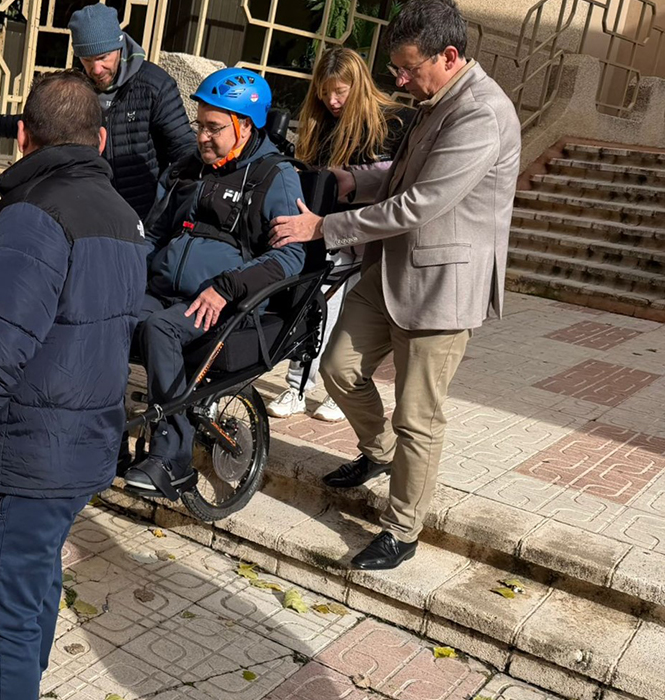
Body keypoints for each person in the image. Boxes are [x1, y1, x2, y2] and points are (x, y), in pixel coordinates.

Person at [270, 0, 520, 570]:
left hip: (441, 289)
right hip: (388, 270)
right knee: (336, 369)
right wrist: (353, 177)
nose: (399, 80)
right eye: (398, 69)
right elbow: (401, 172)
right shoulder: (434, 101)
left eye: (408, 69)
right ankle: (377, 453)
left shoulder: (481, 114)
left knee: (418, 416)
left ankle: (402, 529)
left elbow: (420, 203)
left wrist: (324, 226)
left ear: (449, 56)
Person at [0, 71, 146, 700]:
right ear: (99, 140)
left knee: (2, 614)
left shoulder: (30, 216)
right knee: (35, 581)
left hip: (25, 457)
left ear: (22, 137)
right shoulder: (123, 217)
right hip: (78, 447)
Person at [121, 67, 307, 500]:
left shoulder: (274, 178)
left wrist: (226, 287)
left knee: (159, 329)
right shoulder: (189, 167)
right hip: (165, 288)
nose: (202, 136)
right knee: (110, 317)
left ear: (245, 127)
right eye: (199, 124)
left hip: (229, 303)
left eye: (214, 128)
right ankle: (109, 442)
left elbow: (289, 257)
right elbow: (154, 233)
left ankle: (174, 458)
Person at [267, 47, 415, 423]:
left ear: (359, 86)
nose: (331, 101)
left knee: (357, 321)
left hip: (374, 239)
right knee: (316, 309)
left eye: (340, 92)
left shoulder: (396, 123)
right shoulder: (321, 125)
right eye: (325, 91)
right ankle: (299, 384)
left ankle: (341, 391)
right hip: (327, 233)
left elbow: (399, 187)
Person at [0, 3, 193, 219]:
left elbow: (184, 151)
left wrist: (168, 207)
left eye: (103, 57)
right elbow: (44, 121)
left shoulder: (155, 85)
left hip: (139, 214)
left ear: (119, 45)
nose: (97, 69)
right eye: (88, 60)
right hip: (85, 207)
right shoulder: (78, 84)